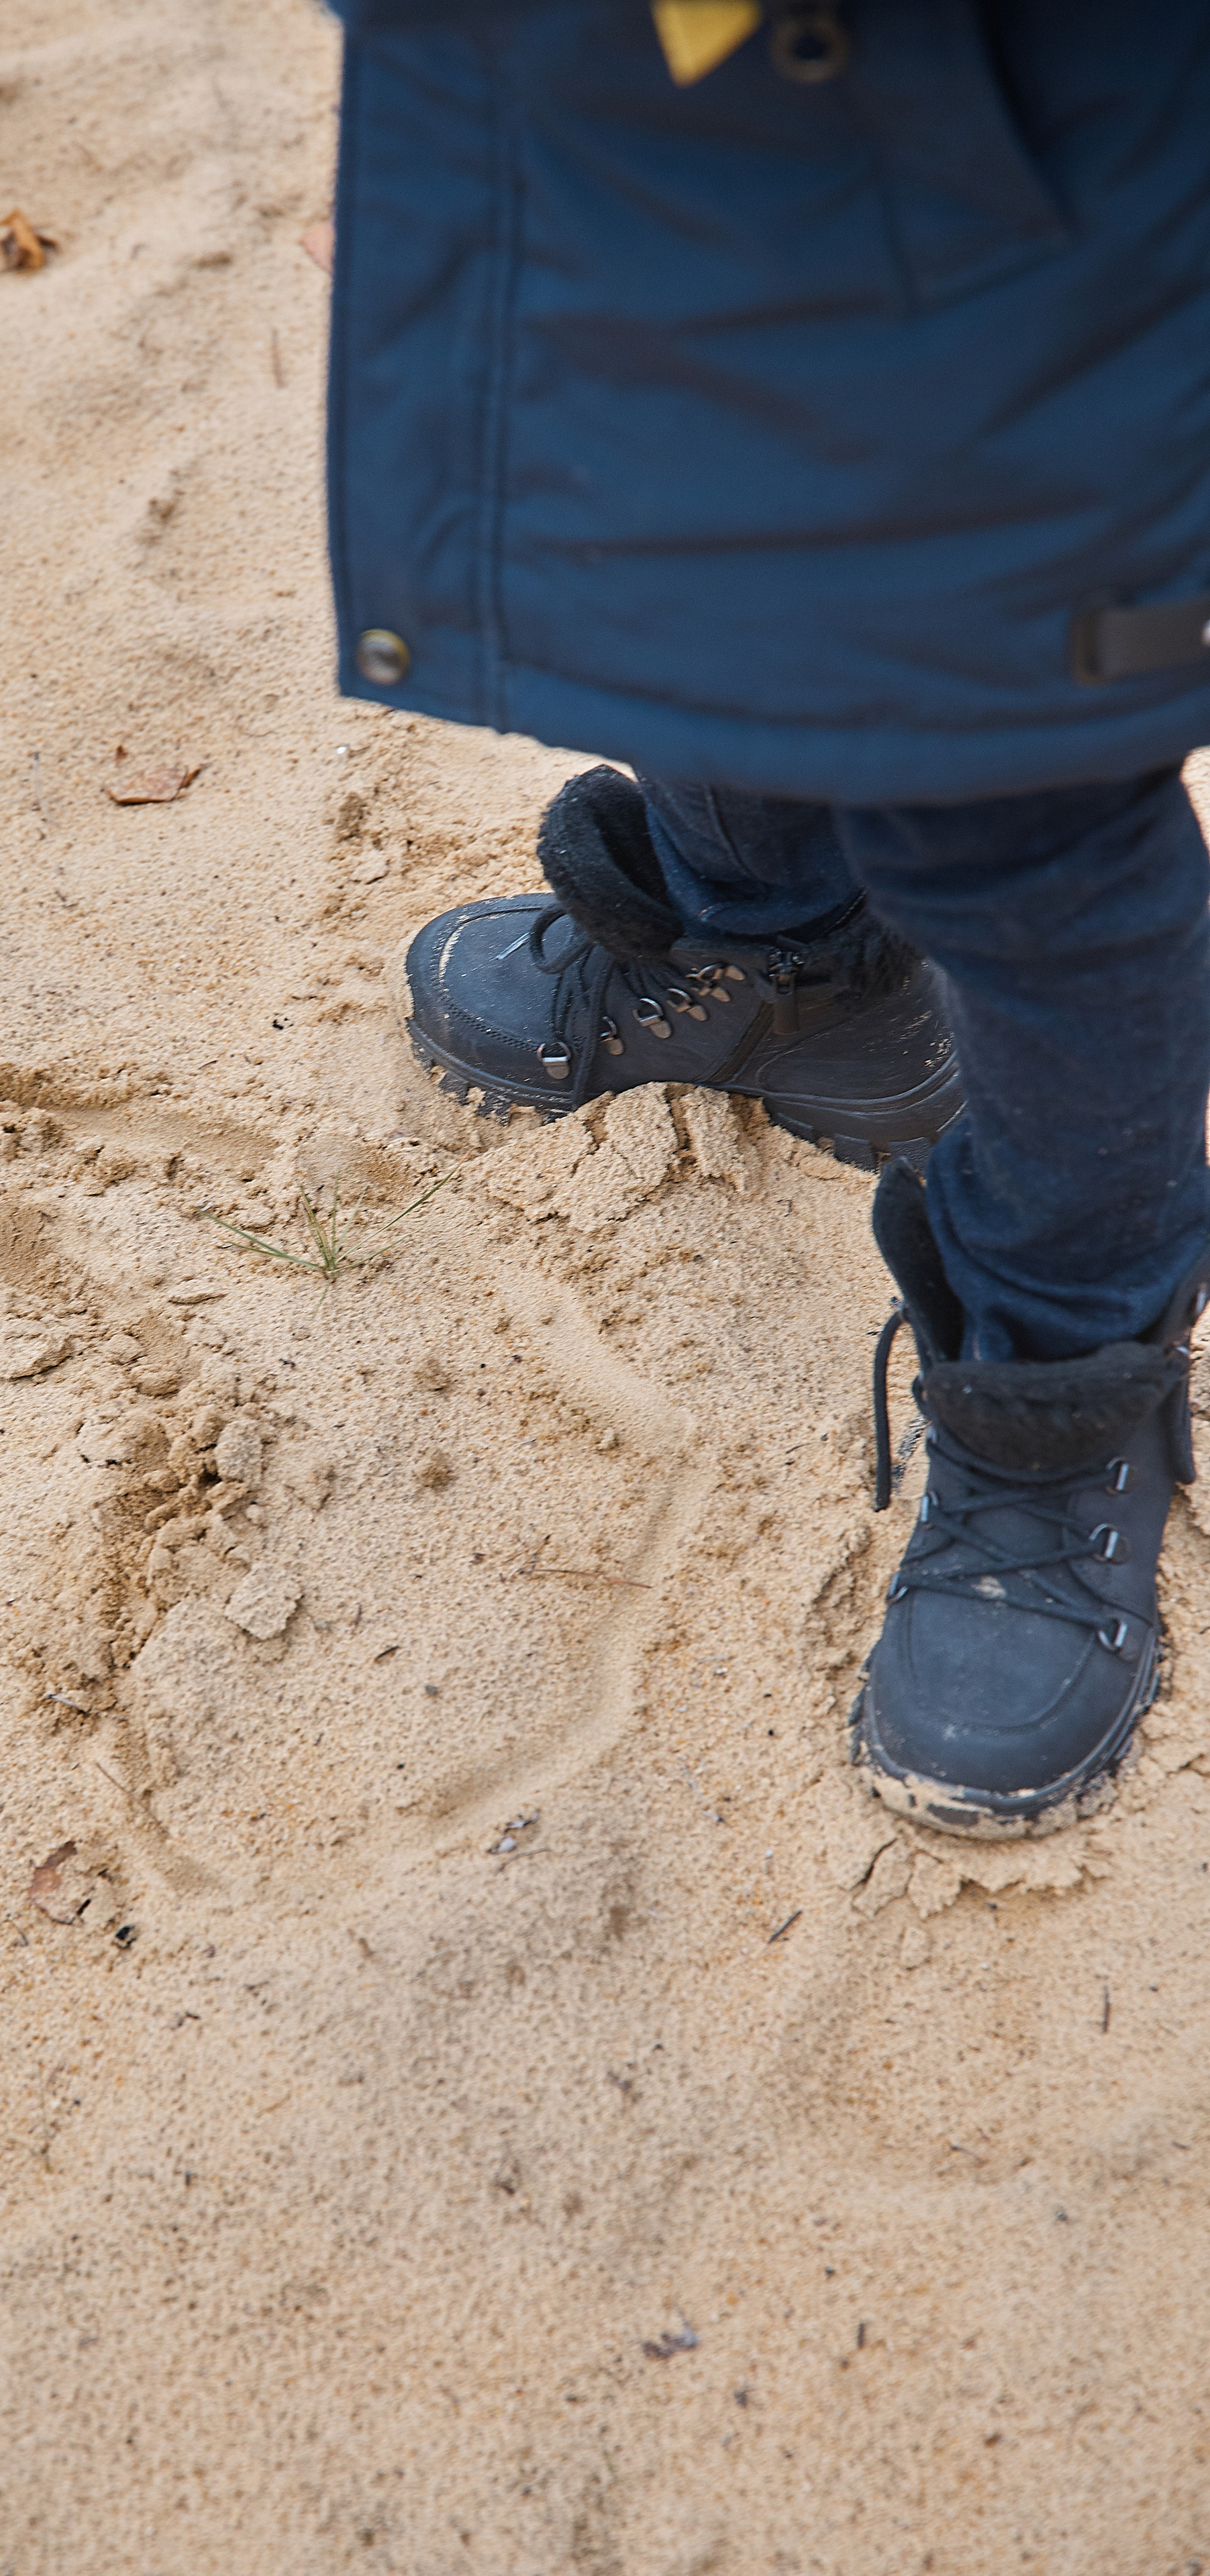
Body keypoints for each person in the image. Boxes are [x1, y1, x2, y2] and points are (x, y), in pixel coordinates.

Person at [323, 0, 1210, 1837]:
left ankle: (1067, 1384)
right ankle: (781, 960)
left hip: (1029, 94)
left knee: (1010, 775)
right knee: (673, 567)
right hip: (624, 69)